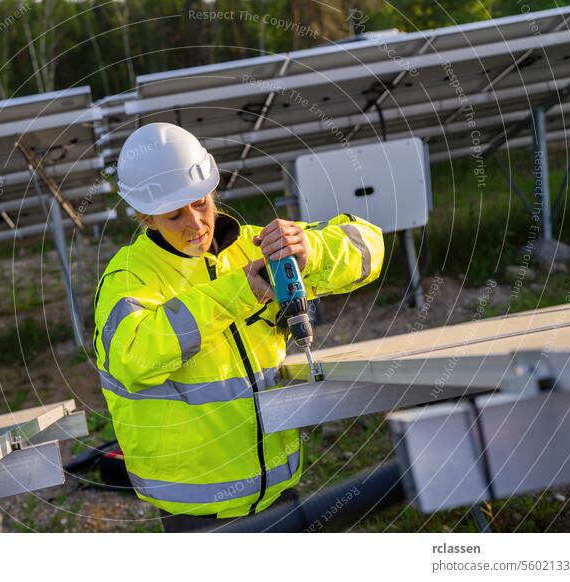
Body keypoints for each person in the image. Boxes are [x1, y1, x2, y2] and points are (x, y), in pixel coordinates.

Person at [93, 122, 384, 532]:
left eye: (201, 204)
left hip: (279, 486)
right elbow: (134, 357)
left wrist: (310, 251)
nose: (195, 223)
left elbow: (369, 246)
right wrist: (237, 292)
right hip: (197, 509)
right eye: (175, 215)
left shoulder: (255, 245)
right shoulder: (128, 277)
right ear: (146, 217)